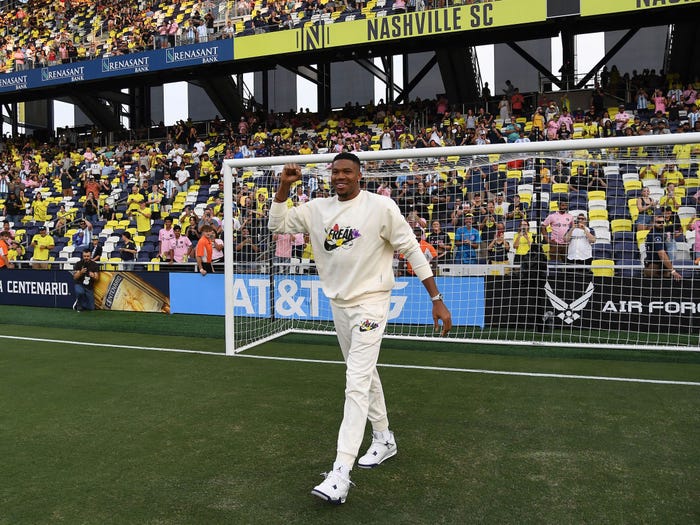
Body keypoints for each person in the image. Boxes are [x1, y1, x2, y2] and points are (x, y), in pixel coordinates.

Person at [268, 153, 451, 505]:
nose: (340, 177)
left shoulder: (381, 207)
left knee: (355, 381)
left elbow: (411, 250)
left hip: (371, 302)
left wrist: (436, 297)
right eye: (335, 171)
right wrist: (284, 187)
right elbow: (278, 225)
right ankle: (383, 438)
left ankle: (340, 472)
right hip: (339, 304)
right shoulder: (316, 209)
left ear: (359, 175)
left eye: (347, 172)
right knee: (364, 374)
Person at [644, 213, 682, 280]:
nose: (661, 224)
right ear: (653, 222)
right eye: (658, 222)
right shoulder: (656, 235)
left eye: (662, 222)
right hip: (655, 268)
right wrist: (672, 271)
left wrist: (674, 214)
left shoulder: (660, 230)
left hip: (660, 267)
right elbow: (661, 254)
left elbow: (676, 225)